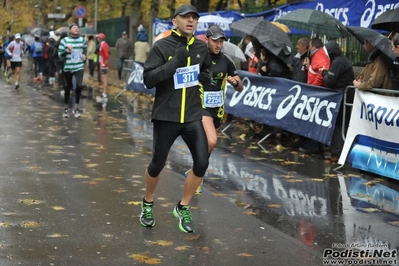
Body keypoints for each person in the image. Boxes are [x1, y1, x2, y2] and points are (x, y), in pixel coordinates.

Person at [140, 4, 212, 234]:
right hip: (167, 115)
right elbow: (149, 79)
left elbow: (206, 73)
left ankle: (183, 206)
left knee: (202, 162)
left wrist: (206, 77)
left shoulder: (202, 47)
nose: (190, 21)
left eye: (194, 18)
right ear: (175, 21)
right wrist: (175, 62)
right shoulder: (162, 46)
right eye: (185, 17)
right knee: (157, 165)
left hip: (192, 116)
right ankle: (148, 202)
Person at [186, 25, 243, 193]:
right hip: (201, 106)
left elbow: (241, 87)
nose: (218, 45)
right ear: (207, 40)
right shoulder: (199, 57)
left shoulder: (227, 61)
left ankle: (195, 173)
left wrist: (235, 82)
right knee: (211, 141)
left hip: (218, 109)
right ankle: (198, 175)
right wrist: (197, 77)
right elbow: (185, 77)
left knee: (207, 146)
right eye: (215, 41)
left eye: (221, 41)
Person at [320, 40, 355, 161]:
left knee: (338, 124)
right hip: (344, 96)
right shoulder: (342, 60)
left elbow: (329, 81)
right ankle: (338, 151)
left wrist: (324, 72)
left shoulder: (338, 62)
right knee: (341, 124)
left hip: (341, 97)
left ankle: (337, 153)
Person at [58, 24, 87, 118]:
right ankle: (66, 107)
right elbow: (60, 54)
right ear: (70, 31)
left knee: (79, 85)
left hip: (79, 66)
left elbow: (85, 50)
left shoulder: (82, 40)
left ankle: (76, 107)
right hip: (68, 67)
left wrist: (84, 56)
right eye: (74, 28)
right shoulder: (64, 41)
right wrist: (67, 50)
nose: (76, 29)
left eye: (77, 28)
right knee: (67, 87)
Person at [96, 33, 109, 103]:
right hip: (102, 64)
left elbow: (106, 54)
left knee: (104, 79)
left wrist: (105, 63)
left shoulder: (104, 45)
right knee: (102, 78)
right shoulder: (102, 44)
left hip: (104, 65)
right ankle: (104, 93)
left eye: (98, 37)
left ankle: (105, 94)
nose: (97, 39)